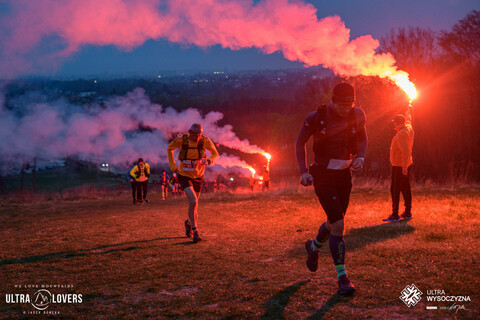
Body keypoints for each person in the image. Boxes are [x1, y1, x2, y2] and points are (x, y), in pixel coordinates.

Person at [295, 82, 367, 295]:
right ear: (332, 101)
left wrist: (360, 157)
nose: (346, 109)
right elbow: (300, 143)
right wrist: (303, 171)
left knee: (333, 222)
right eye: (341, 105)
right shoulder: (315, 117)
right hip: (322, 175)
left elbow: (362, 139)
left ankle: (313, 247)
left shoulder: (357, 114)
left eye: (349, 104)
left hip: (344, 175)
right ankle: (342, 278)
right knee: (339, 224)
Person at [167, 123, 219, 243]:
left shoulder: (205, 140)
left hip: (198, 176)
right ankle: (196, 232)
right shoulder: (181, 140)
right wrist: (173, 166)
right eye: (195, 135)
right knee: (193, 200)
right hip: (184, 175)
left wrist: (209, 160)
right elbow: (169, 148)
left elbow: (215, 153)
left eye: (199, 135)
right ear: (189, 132)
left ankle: (189, 223)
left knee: (194, 204)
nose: (197, 137)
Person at [383, 106, 415, 222]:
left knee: (395, 189)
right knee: (406, 188)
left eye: (394, 122)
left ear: (397, 122)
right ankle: (407, 213)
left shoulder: (401, 134)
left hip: (400, 165)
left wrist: (404, 168)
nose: (393, 124)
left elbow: (406, 150)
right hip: (405, 163)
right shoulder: (408, 127)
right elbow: (409, 119)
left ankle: (395, 214)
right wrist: (409, 109)